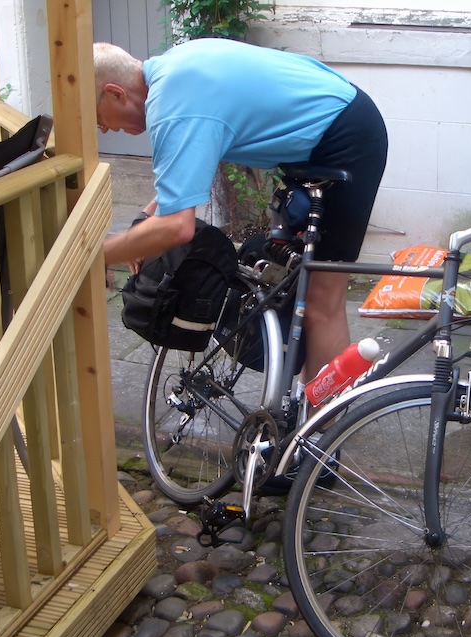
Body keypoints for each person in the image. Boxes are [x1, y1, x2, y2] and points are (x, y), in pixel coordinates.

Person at [95, 38, 388, 382]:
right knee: (298, 282)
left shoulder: (175, 103)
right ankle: (306, 411)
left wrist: (94, 255)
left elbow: (177, 227)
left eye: (97, 117)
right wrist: (145, 221)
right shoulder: (173, 75)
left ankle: (324, 429)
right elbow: (186, 165)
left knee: (322, 300)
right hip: (326, 128)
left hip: (346, 137)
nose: (101, 129)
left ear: (116, 93)